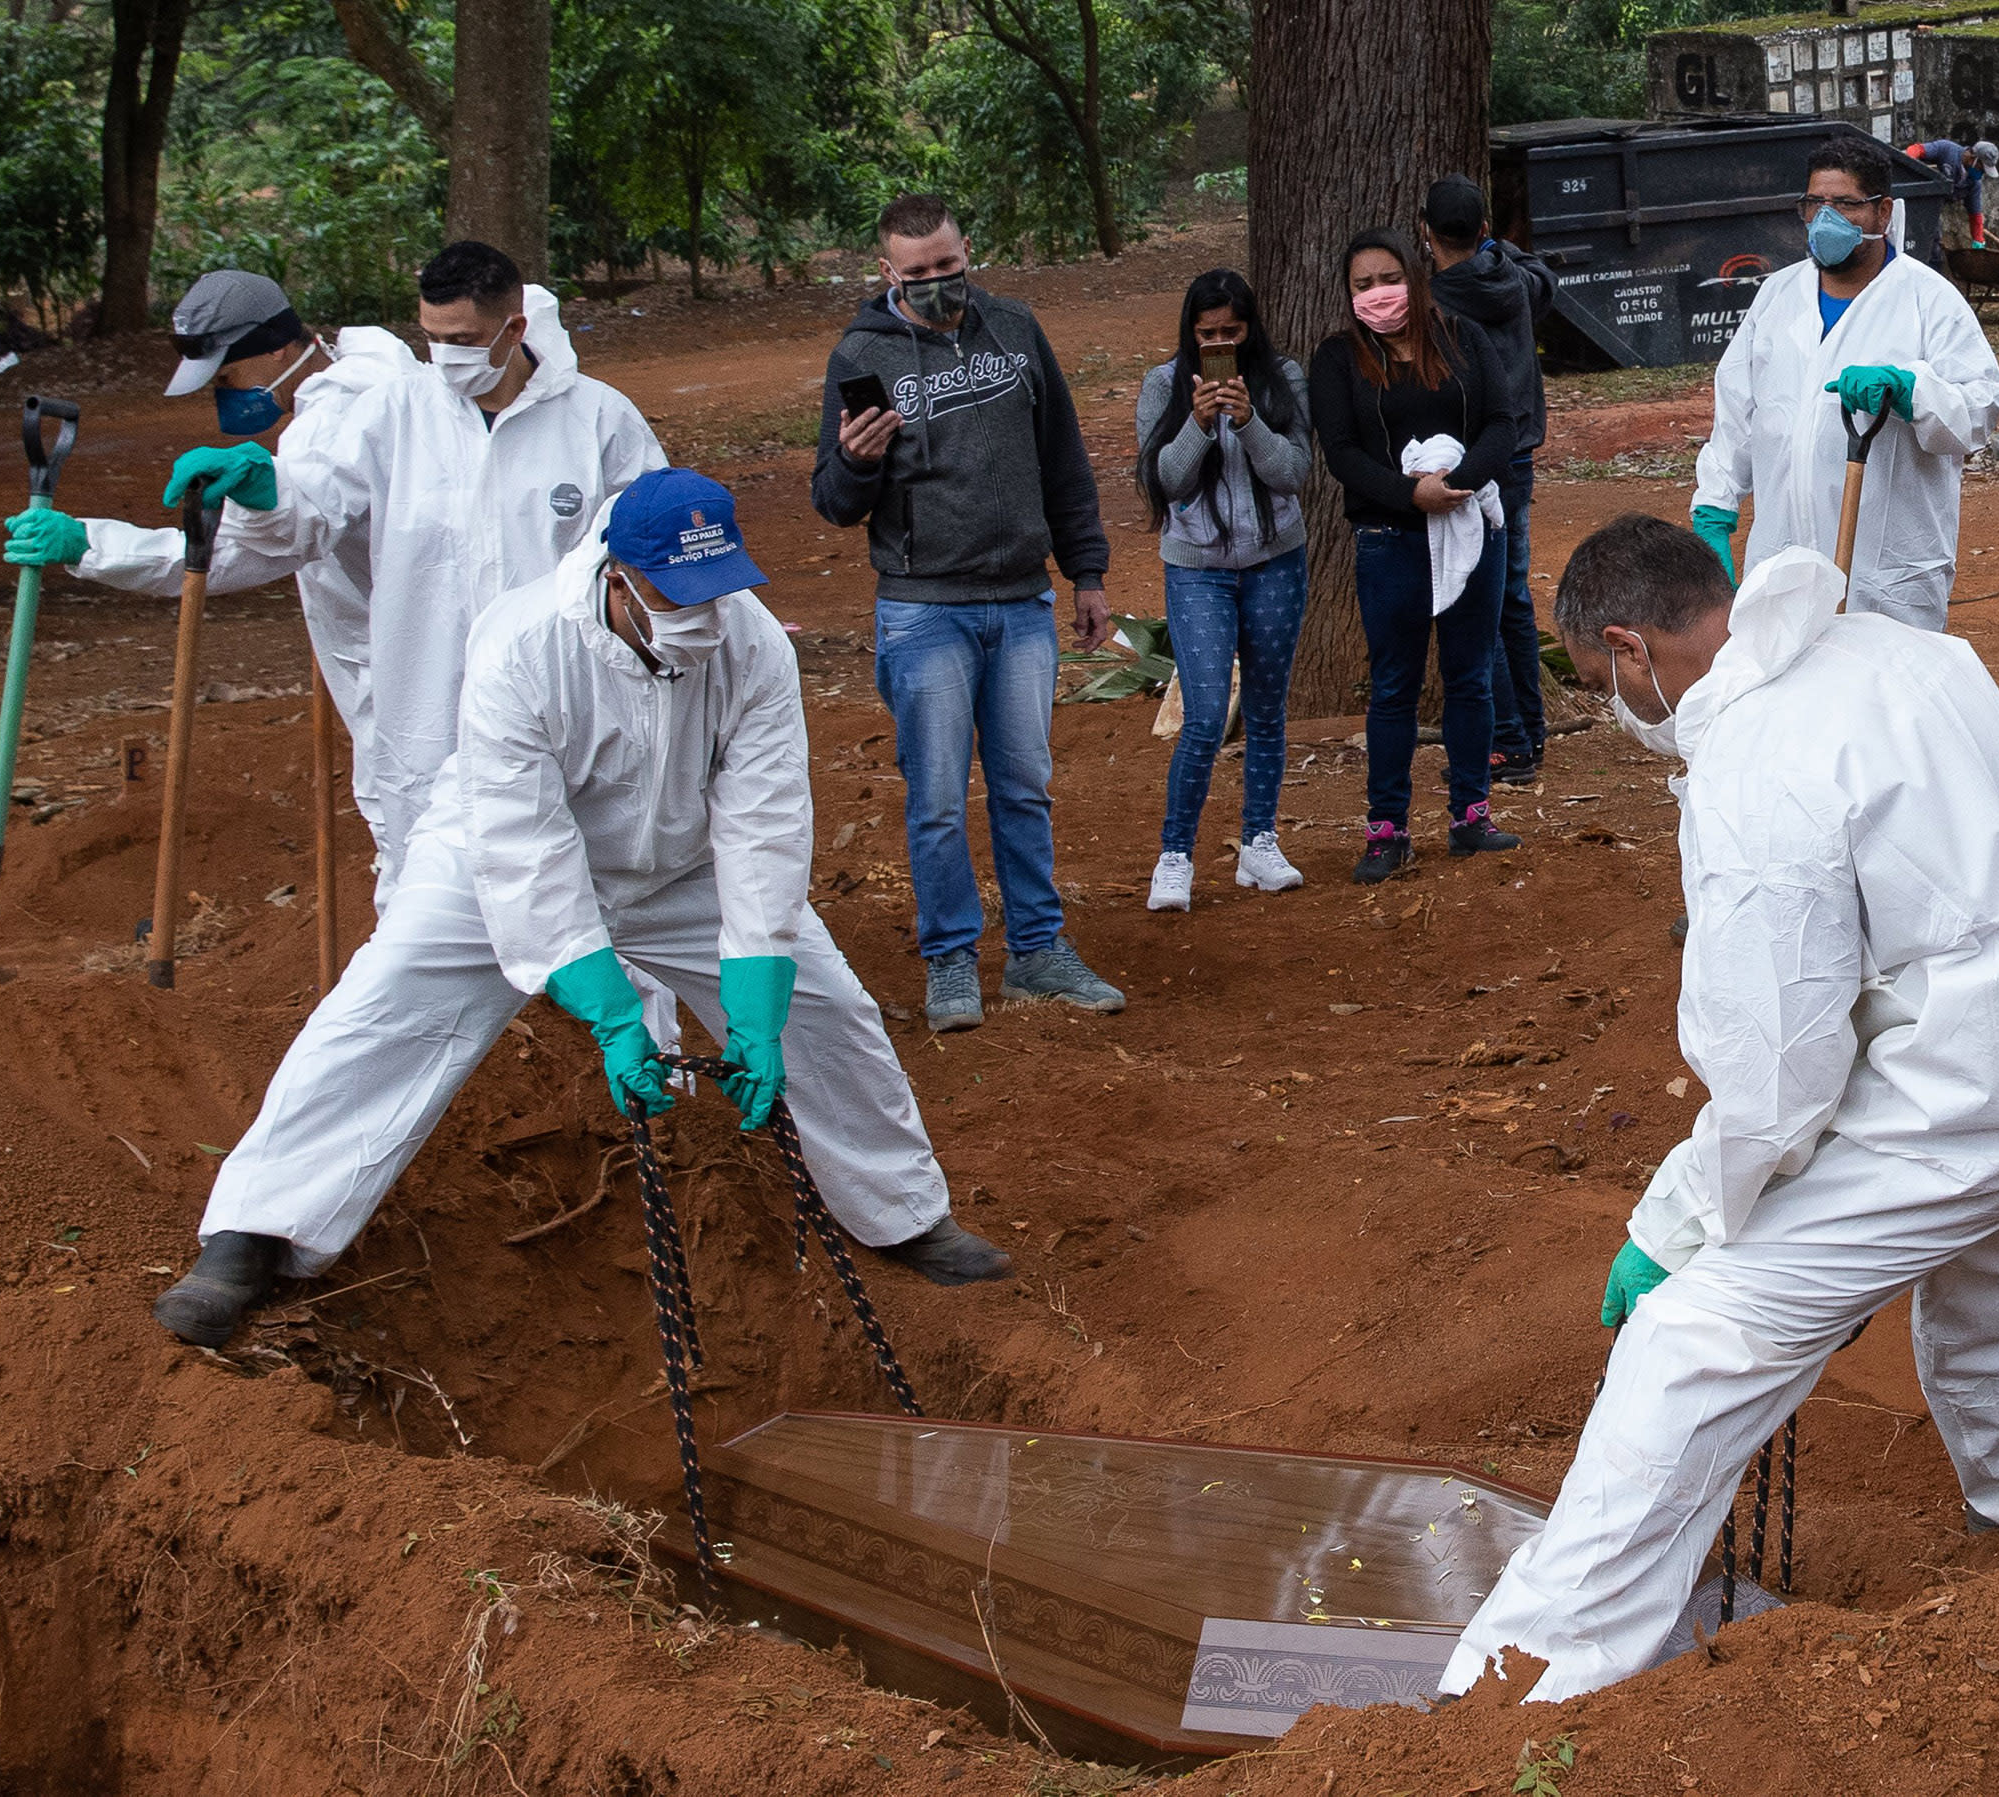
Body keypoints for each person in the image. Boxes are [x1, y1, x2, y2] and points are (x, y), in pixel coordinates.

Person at [1437, 516, 1999, 1706]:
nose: (1615, 712)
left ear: (1629, 649)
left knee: (1696, 1339)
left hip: (1984, 1092)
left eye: (1597, 685)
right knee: (1989, 1236)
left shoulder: (1757, 768)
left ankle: (1527, 1674)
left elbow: (1777, 1080)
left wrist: (1671, 1228)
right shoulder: (1901, 651)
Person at [151, 470, 1014, 1348]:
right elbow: (525, 846)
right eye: (674, 595)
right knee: (387, 1004)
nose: (702, 615)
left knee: (829, 1013)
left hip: (680, 864)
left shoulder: (755, 647)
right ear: (616, 576)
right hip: (490, 856)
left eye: (716, 592)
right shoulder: (522, 644)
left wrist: (754, 998)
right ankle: (252, 1233)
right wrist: (609, 1010)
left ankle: (905, 1213)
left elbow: (765, 822)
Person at [160, 241, 668, 906]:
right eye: (431, 339)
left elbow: (652, 553)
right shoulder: (393, 415)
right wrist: (270, 491)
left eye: (461, 339)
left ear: (514, 329)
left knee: (592, 883)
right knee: (427, 891)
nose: (446, 357)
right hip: (429, 704)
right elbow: (314, 509)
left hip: (568, 704)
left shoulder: (599, 420)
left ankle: (600, 1004)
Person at [811, 193, 1124, 1032]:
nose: (935, 285)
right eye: (916, 275)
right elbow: (834, 504)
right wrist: (856, 462)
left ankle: (1036, 951)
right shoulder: (862, 353)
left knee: (1025, 786)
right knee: (939, 796)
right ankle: (951, 959)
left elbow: (1063, 456)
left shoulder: (1015, 329)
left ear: (967, 251)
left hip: (1022, 598)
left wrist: (1086, 571)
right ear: (887, 273)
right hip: (924, 609)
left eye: (947, 268)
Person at [0, 268, 417, 855]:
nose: (224, 394)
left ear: (277, 349)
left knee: (423, 855)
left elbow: (253, 548)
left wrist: (89, 545)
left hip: (406, 679)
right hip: (391, 658)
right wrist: (89, 542)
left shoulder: (335, 422)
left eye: (228, 375)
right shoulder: (380, 381)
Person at [1691, 138, 1999, 633]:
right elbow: (1738, 413)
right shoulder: (1777, 296)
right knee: (1784, 697)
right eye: (1815, 204)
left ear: (1883, 213)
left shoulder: (1927, 300)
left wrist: (1910, 391)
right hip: (1783, 555)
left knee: (1886, 699)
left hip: (1885, 571)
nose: (1825, 218)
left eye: (1844, 205)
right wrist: (1715, 505)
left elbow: (1978, 410)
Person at [1308, 228, 1520, 884]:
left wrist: (1454, 486)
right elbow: (1342, 453)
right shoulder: (1337, 359)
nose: (1378, 294)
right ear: (1349, 295)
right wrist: (1409, 494)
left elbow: (1501, 425)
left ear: (1414, 275)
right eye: (1362, 285)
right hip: (1389, 542)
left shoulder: (1463, 339)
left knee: (1471, 677)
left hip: (1470, 531)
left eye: (1387, 278)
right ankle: (1388, 831)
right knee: (1395, 686)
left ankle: (1470, 816)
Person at [1133, 268, 1314, 913]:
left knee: (1267, 709)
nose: (1219, 344)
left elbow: (1294, 473)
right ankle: (1175, 855)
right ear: (1191, 333)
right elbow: (1168, 483)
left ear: (1250, 330)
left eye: (1231, 332)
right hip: (1196, 567)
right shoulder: (1162, 385)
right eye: (1207, 334)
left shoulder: (1283, 379)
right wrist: (1199, 423)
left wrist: (1251, 420)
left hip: (1275, 561)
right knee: (1206, 717)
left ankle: (1259, 844)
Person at [1423, 175, 1556, 787]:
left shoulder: (1436, 303)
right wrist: (1496, 247)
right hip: (1520, 454)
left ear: (1426, 234)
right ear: (1483, 232)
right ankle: (1530, 728)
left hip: (1476, 465)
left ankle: (1507, 743)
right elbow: (1542, 279)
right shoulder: (1517, 280)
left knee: (1481, 602)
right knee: (1513, 599)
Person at [1902, 138, 1999, 247]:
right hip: (1909, 199)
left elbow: (1975, 214)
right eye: (1981, 169)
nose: (1981, 174)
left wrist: (1978, 239)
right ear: (1973, 158)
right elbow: (1917, 149)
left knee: (1933, 245)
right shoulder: (1947, 150)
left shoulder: (1973, 183)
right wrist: (1909, 164)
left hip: (1930, 211)